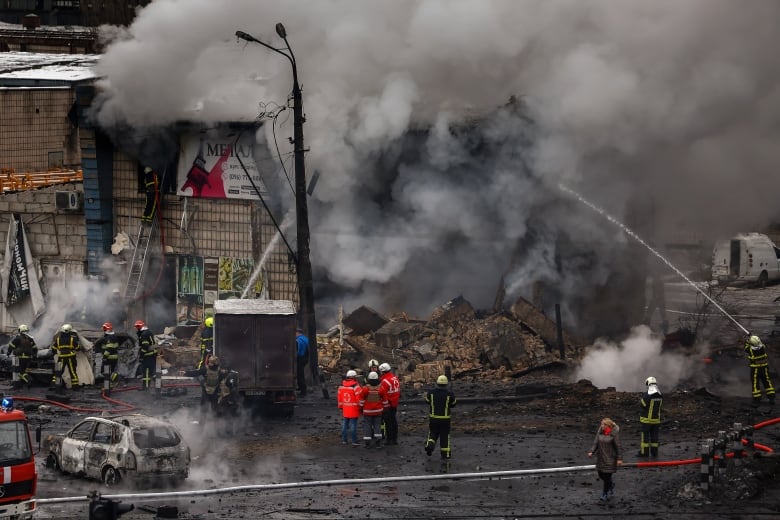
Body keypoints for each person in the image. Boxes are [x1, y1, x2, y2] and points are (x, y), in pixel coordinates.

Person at [588, 417, 623, 501]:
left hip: (610, 459)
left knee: (607, 478)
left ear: (608, 425)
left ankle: (605, 494)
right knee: (600, 474)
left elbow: (618, 447)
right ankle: (610, 484)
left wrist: (619, 458)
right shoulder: (600, 432)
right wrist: (592, 451)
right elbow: (596, 442)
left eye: (603, 424)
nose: (601, 426)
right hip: (601, 458)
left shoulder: (614, 434)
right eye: (601, 424)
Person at [424, 374, 457, 460]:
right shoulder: (449, 393)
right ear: (446, 384)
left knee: (433, 433)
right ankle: (445, 455)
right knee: (445, 436)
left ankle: (430, 445)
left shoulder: (431, 392)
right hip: (445, 420)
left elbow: (427, 401)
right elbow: (453, 404)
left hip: (433, 418)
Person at [92, 322, 133, 390]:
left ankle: (117, 377)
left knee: (104, 371)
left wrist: (105, 357)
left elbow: (109, 348)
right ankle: (108, 385)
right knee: (108, 371)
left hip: (109, 358)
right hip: (113, 357)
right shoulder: (113, 336)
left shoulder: (109, 338)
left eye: (104, 329)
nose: (103, 330)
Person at [357, 371, 389, 448]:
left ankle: (367, 442)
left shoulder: (365, 389)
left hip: (367, 411)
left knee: (367, 425)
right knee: (377, 425)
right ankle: (378, 442)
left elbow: (361, 401)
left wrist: (360, 409)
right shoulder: (381, 389)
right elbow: (385, 401)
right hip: (378, 411)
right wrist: (385, 409)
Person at [744, 334, 775, 409]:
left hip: (756, 370)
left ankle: (757, 401)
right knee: (767, 382)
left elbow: (746, 348)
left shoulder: (751, 350)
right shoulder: (763, 347)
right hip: (764, 368)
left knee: (755, 384)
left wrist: (748, 340)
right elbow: (758, 343)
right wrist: (752, 337)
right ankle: (771, 398)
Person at [638, 376, 663, 457]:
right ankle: (654, 453)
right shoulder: (660, 394)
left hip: (646, 421)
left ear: (648, 383)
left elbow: (643, 404)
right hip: (656, 420)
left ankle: (644, 453)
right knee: (654, 438)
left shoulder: (648, 394)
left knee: (645, 438)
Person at [51, 323, 81, 388]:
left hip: (61, 356)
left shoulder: (58, 339)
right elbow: (78, 348)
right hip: (70, 356)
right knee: (72, 371)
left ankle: (55, 385)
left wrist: (55, 355)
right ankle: (75, 386)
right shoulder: (72, 339)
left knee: (58, 371)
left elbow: (53, 348)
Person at [337, 369, 362, 446]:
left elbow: (339, 398)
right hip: (354, 409)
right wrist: (361, 408)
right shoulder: (356, 387)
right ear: (354, 377)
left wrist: (341, 406)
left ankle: (344, 440)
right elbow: (359, 399)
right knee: (353, 425)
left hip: (345, 409)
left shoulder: (341, 386)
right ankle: (354, 441)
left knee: (345, 425)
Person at [379, 362, 401, 445]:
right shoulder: (395, 378)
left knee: (388, 422)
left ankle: (389, 439)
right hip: (395, 403)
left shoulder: (384, 381)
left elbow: (382, 394)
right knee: (394, 421)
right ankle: (395, 439)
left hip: (388, 404)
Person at [135, 320, 157, 390]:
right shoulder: (148, 332)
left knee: (146, 372)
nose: (137, 328)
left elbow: (145, 346)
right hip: (153, 354)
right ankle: (158, 385)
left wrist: (141, 356)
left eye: (137, 327)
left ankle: (146, 387)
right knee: (152, 371)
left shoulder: (144, 334)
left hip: (148, 355)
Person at [295, 328, 309, 397]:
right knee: (300, 374)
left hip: (300, 358)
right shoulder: (305, 339)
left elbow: (297, 351)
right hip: (305, 358)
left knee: (300, 375)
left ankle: (303, 392)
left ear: (297, 333)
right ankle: (300, 387)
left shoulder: (298, 340)